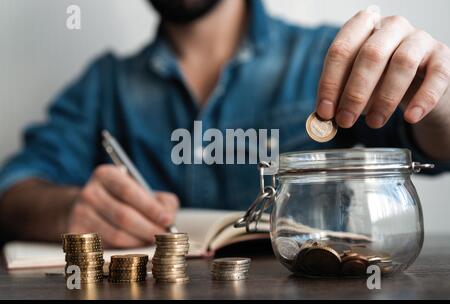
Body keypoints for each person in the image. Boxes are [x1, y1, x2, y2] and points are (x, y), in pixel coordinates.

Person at [0, 0, 449, 248]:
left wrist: (438, 100)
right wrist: (68, 210)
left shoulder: (330, 56)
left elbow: (436, 145)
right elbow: (13, 189)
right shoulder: (104, 84)